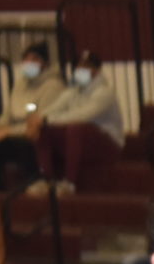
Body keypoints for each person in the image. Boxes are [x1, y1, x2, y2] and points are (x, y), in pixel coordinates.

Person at [0, 41, 66, 191]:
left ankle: (33, 184)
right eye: (26, 59)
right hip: (15, 134)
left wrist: (8, 132)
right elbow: (8, 116)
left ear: (44, 63)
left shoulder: (54, 86)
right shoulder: (20, 84)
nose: (28, 63)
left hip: (38, 136)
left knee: (25, 147)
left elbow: (42, 122)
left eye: (34, 59)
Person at [39, 50, 126, 195]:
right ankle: (47, 180)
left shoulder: (105, 92)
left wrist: (47, 120)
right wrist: (39, 120)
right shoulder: (73, 91)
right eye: (79, 66)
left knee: (76, 128)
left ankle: (70, 183)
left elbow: (82, 116)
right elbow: (51, 110)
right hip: (83, 142)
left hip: (109, 144)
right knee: (43, 129)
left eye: (86, 67)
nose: (81, 70)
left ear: (96, 70)